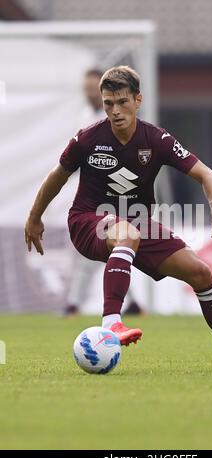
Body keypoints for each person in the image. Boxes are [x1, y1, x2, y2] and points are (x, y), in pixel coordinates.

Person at [25, 66, 212, 370]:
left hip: (136, 222)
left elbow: (207, 175)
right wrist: (35, 217)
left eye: (122, 102)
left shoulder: (157, 139)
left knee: (201, 273)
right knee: (128, 233)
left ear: (138, 100)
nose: (115, 111)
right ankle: (112, 324)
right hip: (88, 220)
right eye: (108, 104)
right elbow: (57, 176)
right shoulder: (87, 138)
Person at [63, 68, 143, 316]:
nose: (89, 93)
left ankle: (77, 305)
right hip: (92, 196)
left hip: (119, 195)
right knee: (104, 251)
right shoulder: (84, 119)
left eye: (92, 88)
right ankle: (128, 305)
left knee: (110, 250)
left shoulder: (125, 121)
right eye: (86, 89)